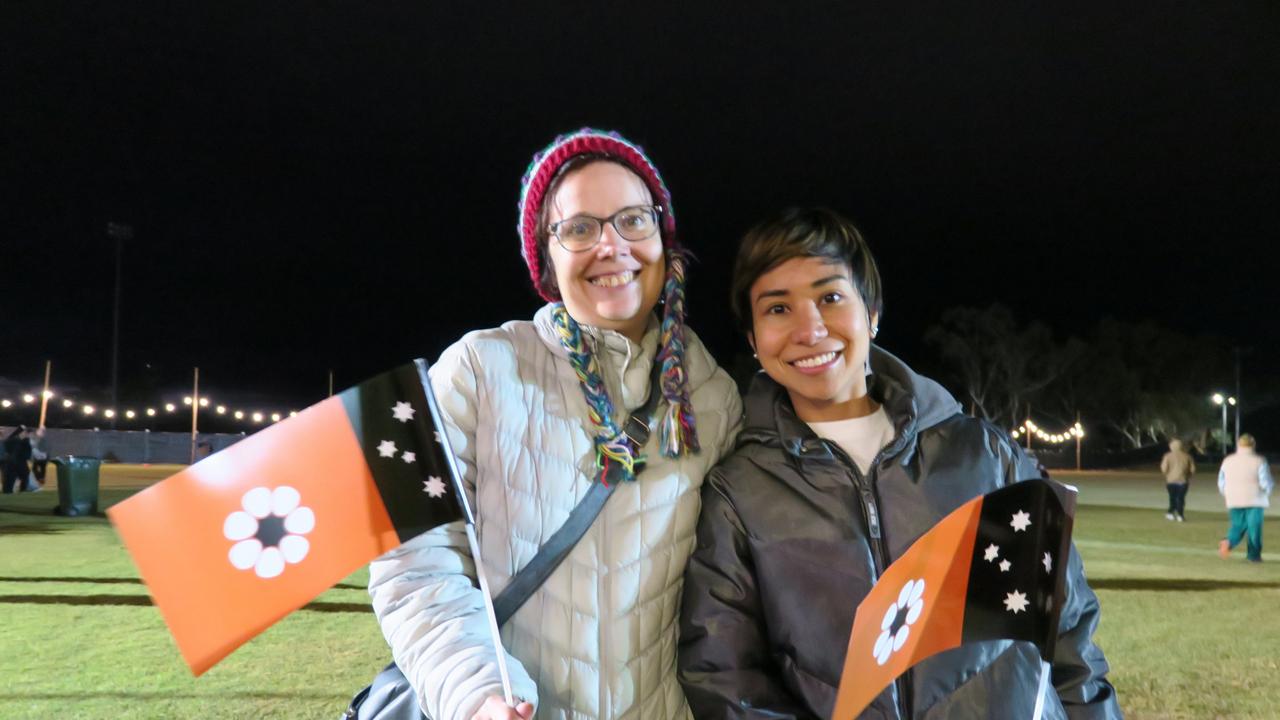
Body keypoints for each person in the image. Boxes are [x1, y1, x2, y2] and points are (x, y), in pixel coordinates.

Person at [678, 207, 1120, 719]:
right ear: (754, 341)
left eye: (830, 297)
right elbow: (727, 676)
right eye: (778, 309)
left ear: (872, 312)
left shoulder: (983, 456)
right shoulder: (740, 493)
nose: (810, 328)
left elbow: (1068, 634)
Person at [367, 129, 742, 720]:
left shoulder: (714, 398)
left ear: (663, 241)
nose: (611, 246)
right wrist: (480, 695)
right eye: (580, 228)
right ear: (548, 255)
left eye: (633, 220)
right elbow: (412, 565)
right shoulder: (478, 368)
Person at [1217, 433, 1273, 563]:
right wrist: (1267, 491)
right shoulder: (1259, 460)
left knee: (1237, 525)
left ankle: (1228, 542)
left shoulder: (1228, 460)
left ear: (1238, 445)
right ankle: (1253, 556)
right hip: (1255, 498)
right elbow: (1264, 481)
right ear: (1253, 445)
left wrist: (1227, 493)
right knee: (1254, 528)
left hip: (1233, 498)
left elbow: (1221, 481)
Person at [1159, 438, 1195, 522]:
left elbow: (1164, 469)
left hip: (1171, 481)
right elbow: (1193, 469)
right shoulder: (1187, 456)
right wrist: (1187, 476)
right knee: (1181, 498)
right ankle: (1180, 515)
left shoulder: (1167, 456)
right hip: (1183, 481)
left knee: (1172, 498)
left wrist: (1168, 475)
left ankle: (1170, 513)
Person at [2, 426, 33, 494]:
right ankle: (9, 491)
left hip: (17, 462)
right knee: (12, 477)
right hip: (14, 462)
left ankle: (18, 490)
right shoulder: (15, 440)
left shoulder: (24, 441)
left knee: (22, 476)